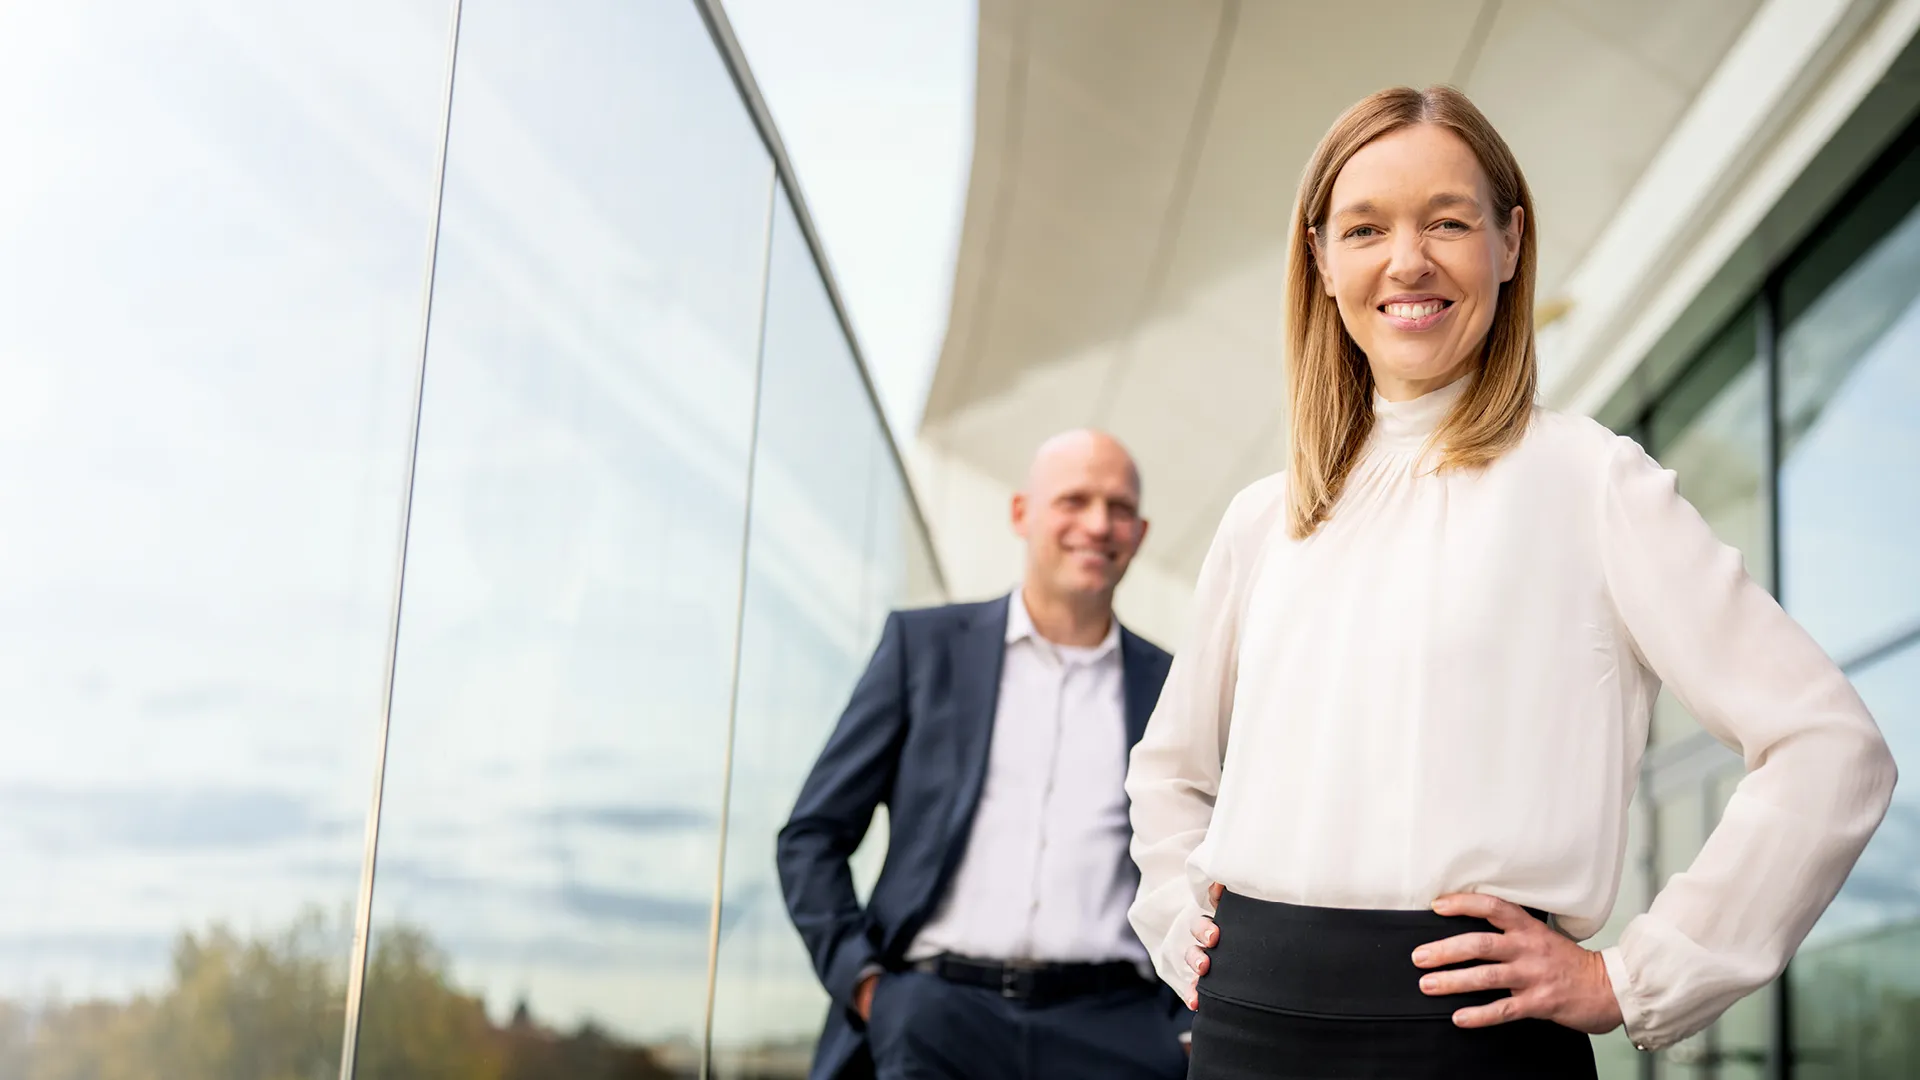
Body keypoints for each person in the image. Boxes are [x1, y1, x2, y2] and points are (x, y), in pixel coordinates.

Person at [1124, 85, 1898, 1079]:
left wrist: (1634, 977)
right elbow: (1169, 772)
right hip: (1246, 1027)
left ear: (1510, 242)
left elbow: (1830, 748)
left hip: (1470, 1040)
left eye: (1447, 220)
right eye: (1366, 228)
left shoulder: (1593, 482)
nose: (1408, 260)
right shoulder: (1263, 519)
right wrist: (1175, 920)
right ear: (1320, 261)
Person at [778, 430, 1193, 1080]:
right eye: (1074, 500)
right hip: (934, 1023)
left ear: (1139, 533)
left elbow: (1213, 865)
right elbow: (812, 836)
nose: (1097, 523)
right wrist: (867, 987)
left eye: (1117, 508)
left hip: (1116, 1037)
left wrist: (1185, 1029)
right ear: (1021, 513)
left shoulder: (1177, 687)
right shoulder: (923, 651)